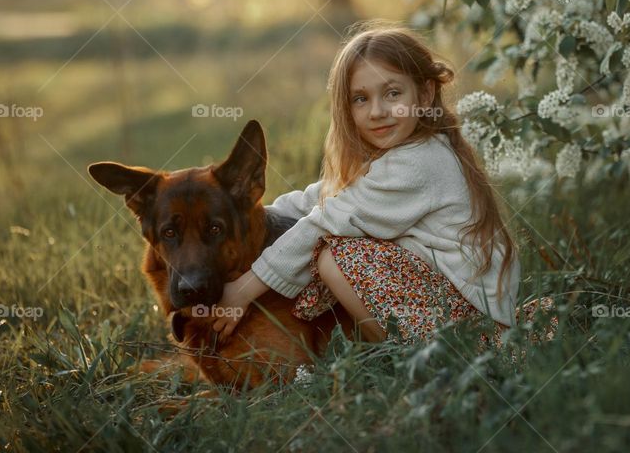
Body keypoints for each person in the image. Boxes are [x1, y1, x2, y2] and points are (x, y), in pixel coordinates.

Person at [210, 21, 521, 346]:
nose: (377, 111)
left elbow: (327, 220)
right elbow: (322, 198)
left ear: (425, 93)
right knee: (335, 245)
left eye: (392, 93)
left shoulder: (420, 162)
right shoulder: (404, 152)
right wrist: (254, 215)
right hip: (453, 303)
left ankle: (414, 359)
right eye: (361, 98)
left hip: (471, 325)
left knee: (335, 258)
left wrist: (243, 290)